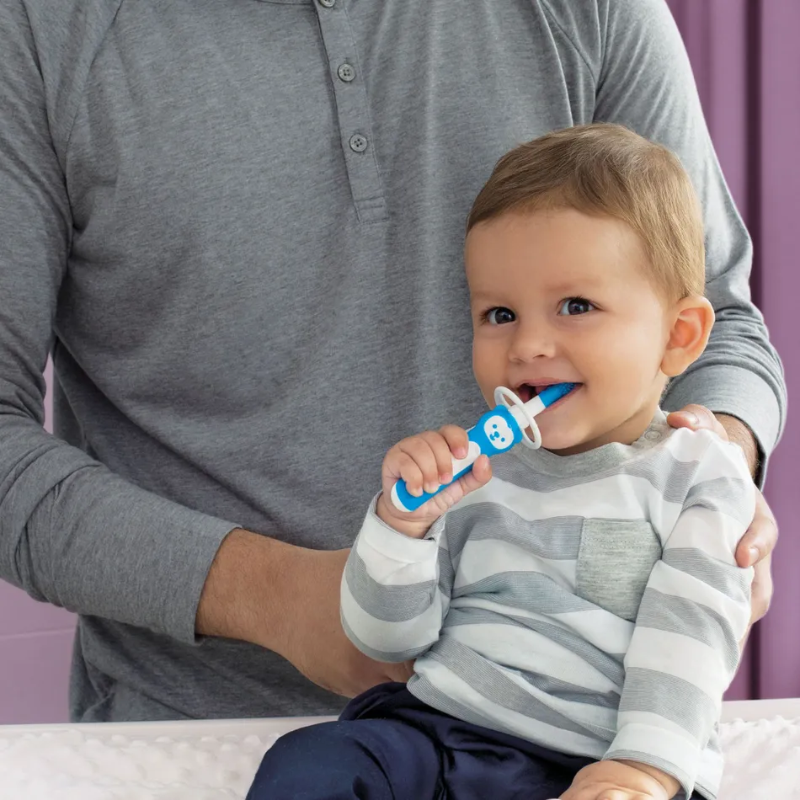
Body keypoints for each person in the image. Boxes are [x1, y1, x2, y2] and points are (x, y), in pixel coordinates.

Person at [0, 0, 782, 723]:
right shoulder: (40, 30)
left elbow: (716, 319)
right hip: (193, 733)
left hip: (581, 732)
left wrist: (709, 471)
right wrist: (277, 598)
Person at [247, 124, 754, 800]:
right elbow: (388, 640)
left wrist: (644, 771)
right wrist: (400, 527)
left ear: (678, 336)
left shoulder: (697, 476)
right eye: (499, 314)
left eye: (576, 307)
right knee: (313, 763)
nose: (529, 345)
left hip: (600, 756)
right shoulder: (476, 470)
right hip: (440, 728)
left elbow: (688, 643)